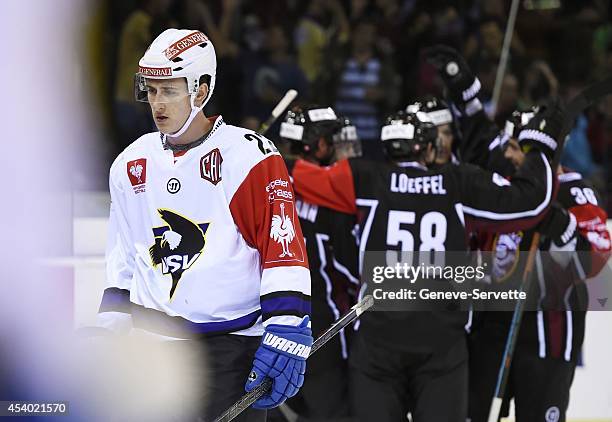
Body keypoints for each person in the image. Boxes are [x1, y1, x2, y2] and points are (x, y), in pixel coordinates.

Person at [289, 101, 565, 420]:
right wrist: (539, 145)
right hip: (440, 344)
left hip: (379, 341)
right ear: (427, 147)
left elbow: (297, 174)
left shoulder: (364, 177)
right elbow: (531, 203)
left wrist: (254, 155)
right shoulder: (458, 182)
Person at [97, 29, 312, 421]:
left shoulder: (249, 157)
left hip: (230, 352)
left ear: (200, 91)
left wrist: (286, 324)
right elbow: (124, 255)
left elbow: (282, 248)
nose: (156, 102)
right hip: (152, 350)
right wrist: (109, 326)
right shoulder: (130, 164)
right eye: (151, 89)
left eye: (169, 90)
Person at [426, 45, 612, 422]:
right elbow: (480, 140)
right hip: (491, 328)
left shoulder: (572, 189)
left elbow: (596, 259)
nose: (507, 155)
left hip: (547, 334)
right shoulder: (502, 183)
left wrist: (558, 223)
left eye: (514, 148)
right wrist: (463, 87)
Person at [278, 105, 361, 420]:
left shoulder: (261, 190)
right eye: (332, 138)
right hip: (321, 331)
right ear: (319, 145)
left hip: (263, 328)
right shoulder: (330, 200)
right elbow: (353, 271)